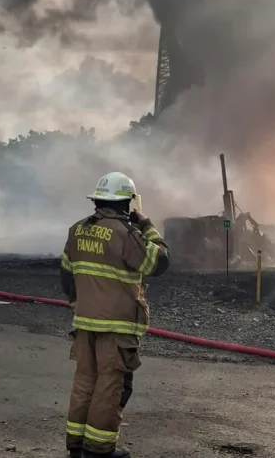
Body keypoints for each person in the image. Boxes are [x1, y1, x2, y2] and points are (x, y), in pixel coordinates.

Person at [61, 172, 170, 458]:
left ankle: (76, 445)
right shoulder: (125, 234)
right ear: (125, 204)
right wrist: (147, 226)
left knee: (85, 381)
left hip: (84, 324)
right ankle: (98, 450)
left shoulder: (77, 230)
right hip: (117, 327)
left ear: (97, 200)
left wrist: (78, 304)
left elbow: (65, 273)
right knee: (111, 386)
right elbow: (159, 261)